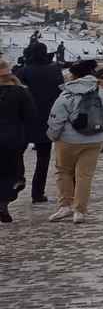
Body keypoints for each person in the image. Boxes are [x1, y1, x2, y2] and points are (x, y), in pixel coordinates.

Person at [45, 58, 103, 224]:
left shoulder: (67, 93)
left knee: (63, 171)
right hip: (94, 140)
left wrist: (53, 136)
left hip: (67, 140)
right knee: (84, 175)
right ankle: (80, 211)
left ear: (75, 76)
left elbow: (56, 118)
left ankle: (65, 206)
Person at [15, 41, 63, 205]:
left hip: (24, 120)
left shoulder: (23, 71)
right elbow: (60, 92)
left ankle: (18, 178)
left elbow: (17, 93)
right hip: (47, 119)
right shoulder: (55, 69)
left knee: (17, 153)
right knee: (43, 159)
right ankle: (37, 193)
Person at [0, 59, 37, 224]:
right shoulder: (21, 92)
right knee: (13, 174)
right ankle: (4, 202)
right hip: (13, 139)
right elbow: (31, 116)